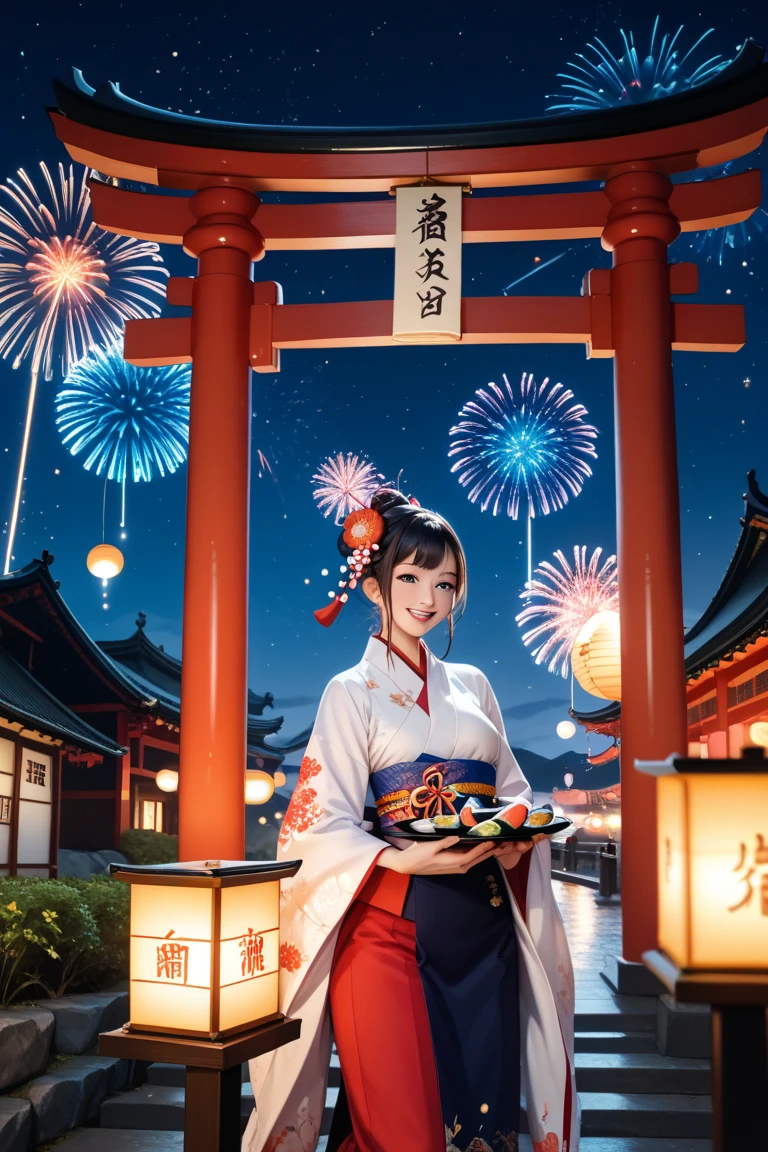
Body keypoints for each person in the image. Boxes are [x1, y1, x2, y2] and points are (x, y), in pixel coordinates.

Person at [246, 488, 579, 1152]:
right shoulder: (351, 692)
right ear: (372, 585)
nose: (428, 596)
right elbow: (317, 824)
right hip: (387, 927)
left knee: (480, 1128)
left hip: (484, 930)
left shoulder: (474, 686)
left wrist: (517, 843)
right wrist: (402, 857)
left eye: (445, 581)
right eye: (408, 577)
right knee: (404, 1130)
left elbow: (511, 793)